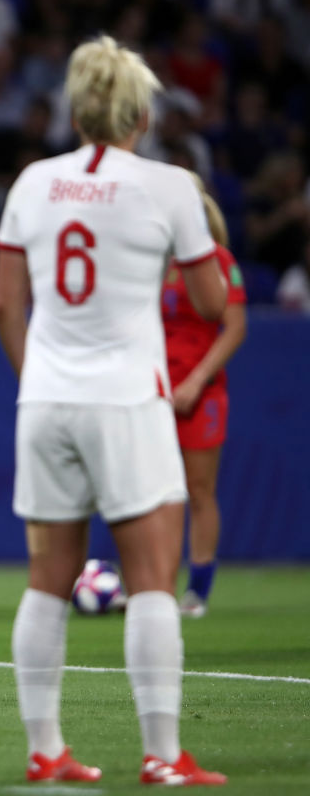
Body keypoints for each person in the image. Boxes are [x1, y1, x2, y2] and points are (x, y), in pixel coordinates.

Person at [0, 36, 228, 785]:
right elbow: (212, 302)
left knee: (47, 578)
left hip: (46, 400)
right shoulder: (170, 185)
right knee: (152, 576)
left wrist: (38, 379)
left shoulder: (33, 181)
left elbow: (4, 304)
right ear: (142, 114)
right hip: (127, 398)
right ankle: (163, 755)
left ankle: (45, 750)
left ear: (77, 110)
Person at [163, 176, 247, 619]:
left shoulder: (218, 260)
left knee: (199, 489)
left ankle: (196, 590)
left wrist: (196, 382)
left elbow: (235, 326)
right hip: (153, 392)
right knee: (154, 493)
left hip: (201, 393)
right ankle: (156, 585)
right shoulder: (152, 260)